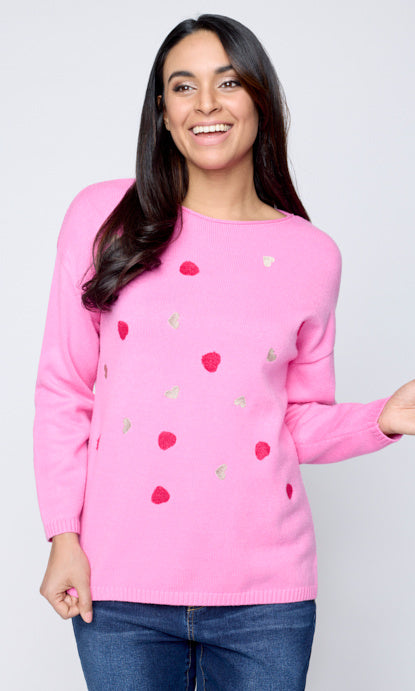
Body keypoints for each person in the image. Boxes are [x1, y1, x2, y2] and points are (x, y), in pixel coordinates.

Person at [33, 13, 414, 691]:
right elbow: (64, 388)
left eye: (228, 82)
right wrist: (64, 534)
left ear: (260, 100)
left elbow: (291, 421)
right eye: (183, 86)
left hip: (266, 599)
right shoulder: (103, 217)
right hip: (119, 589)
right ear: (163, 111)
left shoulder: (311, 255)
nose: (206, 104)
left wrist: (380, 418)